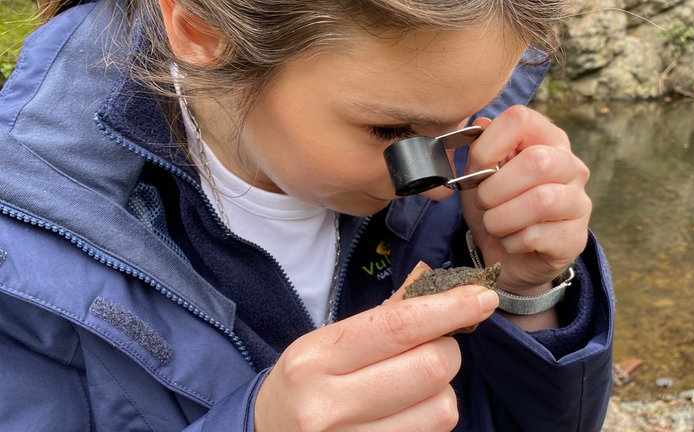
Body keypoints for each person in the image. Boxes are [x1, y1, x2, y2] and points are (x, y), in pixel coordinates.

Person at [0, 0, 614, 430]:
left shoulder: (461, 148)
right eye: (392, 131)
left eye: (472, 114)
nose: (438, 188)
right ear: (201, 32)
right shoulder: (23, 253)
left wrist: (531, 293)